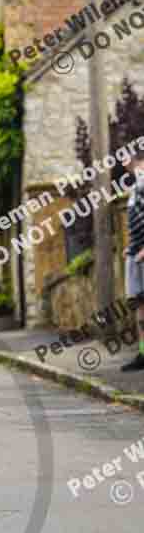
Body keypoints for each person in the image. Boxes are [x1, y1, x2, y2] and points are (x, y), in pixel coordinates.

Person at [122, 151, 144, 372]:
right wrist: (131, 247)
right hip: (135, 254)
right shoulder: (137, 182)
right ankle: (143, 352)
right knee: (139, 305)